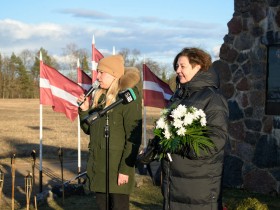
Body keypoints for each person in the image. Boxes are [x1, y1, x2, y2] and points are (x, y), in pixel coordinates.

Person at [161, 47, 229, 210]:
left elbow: (214, 142)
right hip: (174, 185)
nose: (177, 70)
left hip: (199, 189)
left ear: (198, 66)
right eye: (177, 66)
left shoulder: (213, 99)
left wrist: (175, 143)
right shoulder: (178, 97)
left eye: (182, 66)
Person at [77, 54, 142, 210]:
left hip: (118, 169)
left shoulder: (127, 99)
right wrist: (84, 111)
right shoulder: (100, 98)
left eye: (101, 72)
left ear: (114, 74)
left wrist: (125, 170)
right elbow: (89, 129)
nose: (97, 76)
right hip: (99, 168)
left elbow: (133, 138)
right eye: (97, 72)